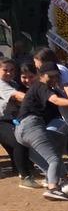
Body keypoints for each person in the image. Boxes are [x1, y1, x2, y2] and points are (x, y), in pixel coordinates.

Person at [16, 63, 68, 201]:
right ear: (41, 75)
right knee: (53, 158)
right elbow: (56, 100)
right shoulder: (41, 86)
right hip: (32, 126)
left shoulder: (40, 87)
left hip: (22, 130)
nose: (53, 78)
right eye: (50, 76)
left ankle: (55, 176)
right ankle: (53, 188)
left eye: (56, 76)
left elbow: (64, 90)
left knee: (57, 141)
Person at [32, 49, 68, 195]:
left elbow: (66, 86)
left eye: (36, 62)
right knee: (66, 146)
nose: (35, 65)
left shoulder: (59, 70)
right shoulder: (55, 72)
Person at [0, 59, 37, 188]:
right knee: (18, 141)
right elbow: (17, 96)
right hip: (2, 121)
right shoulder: (1, 84)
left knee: (18, 144)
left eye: (12, 70)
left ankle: (19, 168)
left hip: (10, 120)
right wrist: (38, 96)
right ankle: (25, 177)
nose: (9, 73)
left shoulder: (13, 83)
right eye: (5, 70)